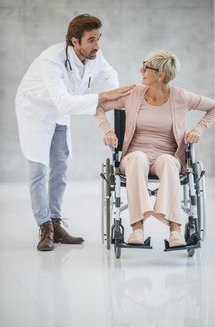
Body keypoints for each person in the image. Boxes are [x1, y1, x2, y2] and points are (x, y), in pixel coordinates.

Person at [15, 14, 134, 251]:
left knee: (60, 168)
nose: (97, 46)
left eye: (99, 38)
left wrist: (117, 102)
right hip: (35, 111)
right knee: (39, 170)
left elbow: (110, 75)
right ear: (74, 41)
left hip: (59, 112)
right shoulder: (52, 60)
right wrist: (103, 97)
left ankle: (56, 223)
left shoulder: (94, 56)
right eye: (91, 40)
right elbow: (64, 102)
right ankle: (44, 227)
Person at [95, 50, 215, 247]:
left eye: (145, 67)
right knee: (138, 158)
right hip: (135, 156)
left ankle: (175, 231)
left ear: (160, 75)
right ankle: (137, 229)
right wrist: (107, 131)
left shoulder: (181, 97)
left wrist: (198, 129)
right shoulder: (133, 93)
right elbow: (98, 106)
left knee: (170, 162)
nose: (141, 70)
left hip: (167, 154)